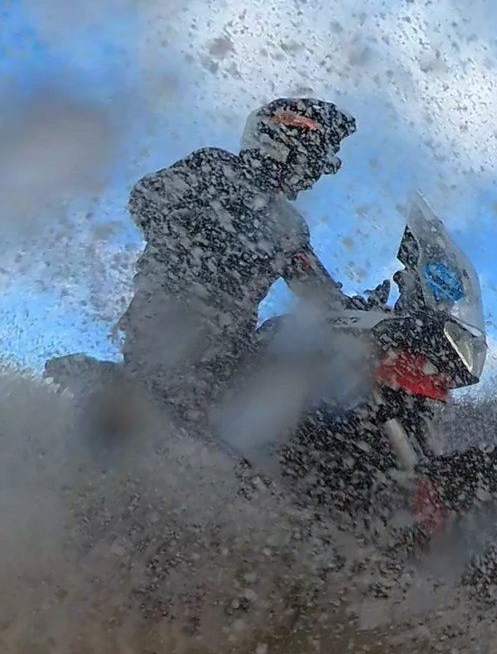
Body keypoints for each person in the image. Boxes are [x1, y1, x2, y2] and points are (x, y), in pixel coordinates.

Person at [116, 97, 358, 421]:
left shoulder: (289, 224)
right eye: (311, 161)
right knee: (175, 396)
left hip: (230, 346)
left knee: (289, 376)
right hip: (170, 317)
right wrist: (187, 236)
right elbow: (145, 198)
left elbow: (312, 281)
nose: (311, 177)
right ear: (283, 139)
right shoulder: (213, 166)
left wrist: (358, 308)